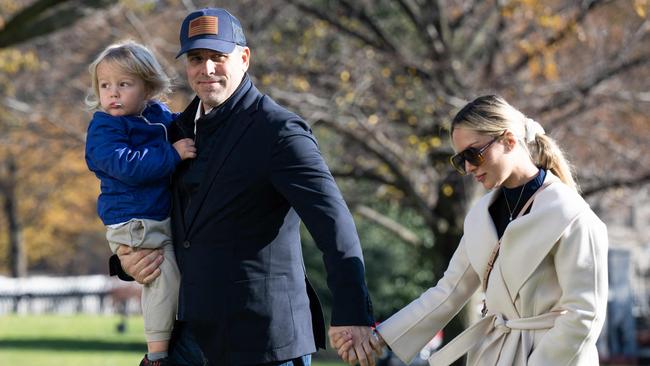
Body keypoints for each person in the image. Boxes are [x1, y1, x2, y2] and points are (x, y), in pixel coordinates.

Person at [110, 8, 378, 366]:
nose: (206, 69)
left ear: (244, 58)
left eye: (218, 57)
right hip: (187, 338)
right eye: (196, 58)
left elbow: (333, 224)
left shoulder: (279, 132)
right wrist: (126, 261)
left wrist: (353, 311)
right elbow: (155, 211)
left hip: (263, 341)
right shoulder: (174, 132)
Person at [334, 95, 609, 365]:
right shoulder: (480, 216)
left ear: (509, 140)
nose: (467, 168)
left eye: (473, 154)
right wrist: (378, 338)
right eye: (459, 160)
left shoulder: (572, 215)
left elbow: (584, 314)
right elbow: (449, 291)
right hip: (495, 354)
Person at [85, 41, 196, 366]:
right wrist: (172, 154)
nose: (113, 94)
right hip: (133, 220)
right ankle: (157, 355)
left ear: (147, 87)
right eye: (105, 86)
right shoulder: (105, 127)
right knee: (164, 277)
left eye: (124, 84)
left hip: (154, 216)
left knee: (173, 277)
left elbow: (177, 124)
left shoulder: (157, 115)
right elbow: (127, 166)